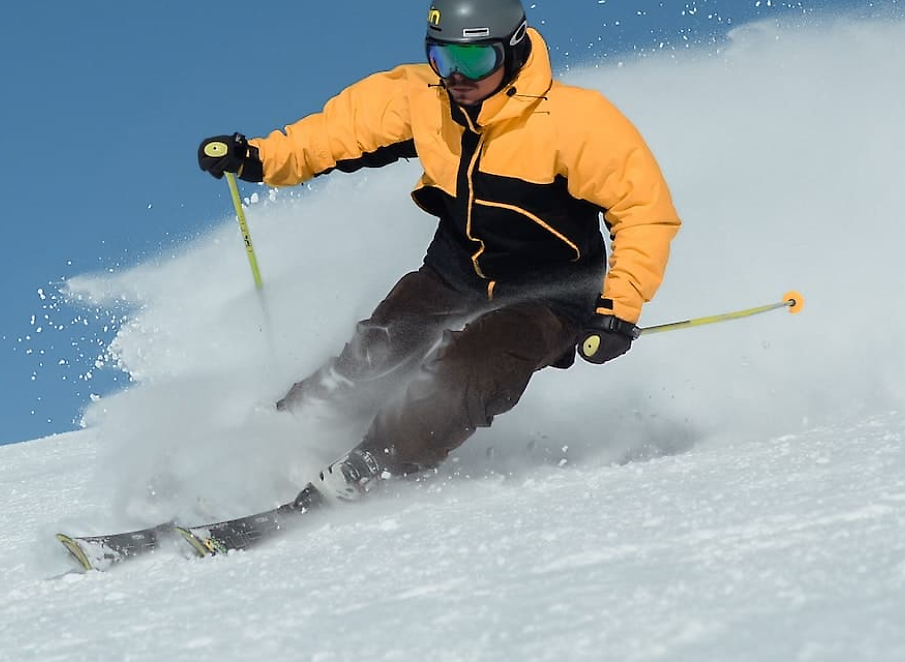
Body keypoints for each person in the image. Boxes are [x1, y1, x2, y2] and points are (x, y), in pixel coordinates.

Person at [197, 0, 681, 504]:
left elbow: (644, 212)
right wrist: (261, 157)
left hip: (549, 296)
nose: (456, 77)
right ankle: (279, 439)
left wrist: (618, 310)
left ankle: (373, 464)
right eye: (442, 59)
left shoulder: (576, 121)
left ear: (512, 52)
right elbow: (336, 133)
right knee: (378, 350)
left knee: (466, 368)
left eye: (473, 62)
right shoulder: (424, 99)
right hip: (457, 271)